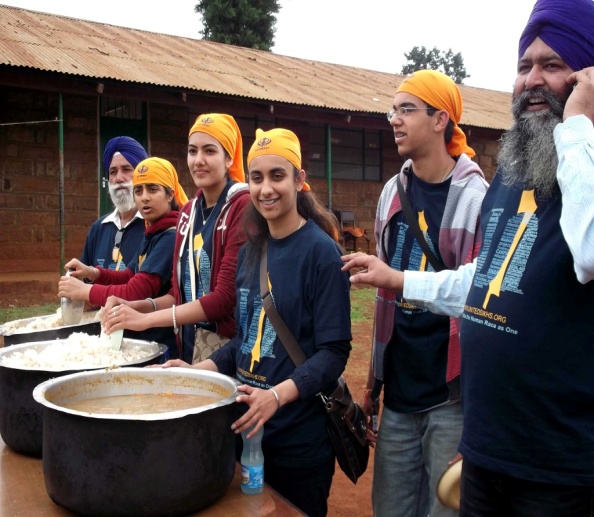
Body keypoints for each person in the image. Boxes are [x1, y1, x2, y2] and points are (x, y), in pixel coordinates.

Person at [343, 0, 594, 514]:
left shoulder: (579, 162)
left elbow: (589, 253)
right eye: (524, 66)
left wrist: (578, 126)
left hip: (563, 468)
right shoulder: (513, 171)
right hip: (487, 452)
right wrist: (399, 280)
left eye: (553, 65)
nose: (531, 81)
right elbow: (487, 285)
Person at [150, 128, 352, 517]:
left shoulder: (321, 254)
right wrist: (199, 372)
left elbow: (333, 353)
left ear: (299, 180)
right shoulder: (251, 252)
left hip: (298, 441)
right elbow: (244, 338)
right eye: (256, 177)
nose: (265, 189)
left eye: (277, 176)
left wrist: (276, 396)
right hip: (247, 434)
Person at [357, 69, 488, 517]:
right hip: (399, 392)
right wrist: (373, 384)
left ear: (440, 119)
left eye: (407, 109)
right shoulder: (393, 193)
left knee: (445, 510)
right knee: (390, 508)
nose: (395, 119)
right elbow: (383, 301)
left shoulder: (476, 198)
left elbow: (479, 300)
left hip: (449, 395)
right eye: (394, 109)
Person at [102, 114, 251, 363]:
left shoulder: (241, 206)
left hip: (233, 351)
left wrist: (146, 319)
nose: (198, 160)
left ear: (228, 159)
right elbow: (177, 295)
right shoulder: (187, 214)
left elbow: (225, 298)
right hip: (190, 346)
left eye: (210, 151)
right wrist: (136, 306)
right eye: (193, 151)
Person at [58, 157, 188, 353]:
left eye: (153, 189)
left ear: (170, 195)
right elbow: (129, 274)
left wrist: (85, 291)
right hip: (143, 336)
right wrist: (93, 272)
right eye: (138, 190)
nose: (144, 197)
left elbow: (136, 290)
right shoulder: (153, 231)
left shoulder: (170, 236)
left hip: (160, 344)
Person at [80, 136, 148, 273]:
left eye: (126, 169)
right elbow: (84, 278)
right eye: (113, 172)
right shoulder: (99, 228)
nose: (118, 179)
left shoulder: (154, 227)